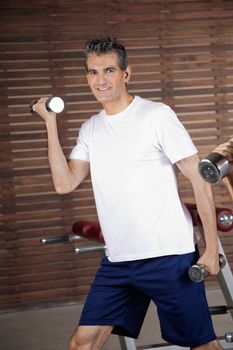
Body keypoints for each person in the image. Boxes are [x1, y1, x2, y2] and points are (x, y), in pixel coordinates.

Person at [33, 37, 222, 350]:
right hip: (119, 260)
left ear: (126, 74)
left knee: (203, 345)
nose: (101, 80)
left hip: (168, 256)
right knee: (82, 343)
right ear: (87, 78)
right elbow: (64, 184)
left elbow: (199, 179)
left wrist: (212, 246)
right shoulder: (90, 129)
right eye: (93, 73)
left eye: (108, 70)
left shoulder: (156, 116)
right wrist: (51, 126)